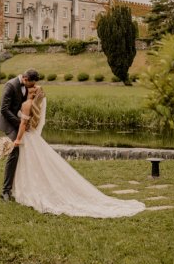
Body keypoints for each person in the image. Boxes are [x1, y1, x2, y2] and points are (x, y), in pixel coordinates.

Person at [12, 85, 145, 218]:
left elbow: (23, 124)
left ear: (30, 92)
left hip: (27, 138)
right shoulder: (36, 106)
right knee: (35, 166)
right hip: (34, 138)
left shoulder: (26, 105)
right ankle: (32, 188)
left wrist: (17, 139)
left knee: (30, 166)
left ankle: (29, 190)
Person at [0, 69, 40, 201]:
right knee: (14, 151)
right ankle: (6, 191)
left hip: (20, 121)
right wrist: (20, 123)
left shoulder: (28, 86)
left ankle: (21, 186)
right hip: (10, 122)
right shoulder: (10, 85)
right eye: (31, 84)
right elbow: (4, 109)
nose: (32, 87)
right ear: (26, 79)